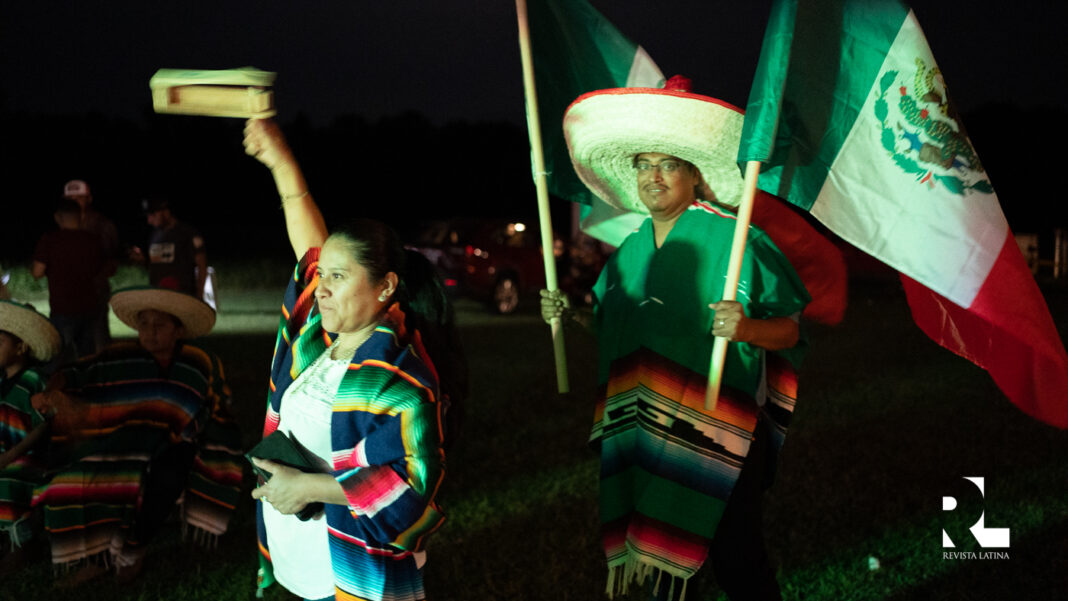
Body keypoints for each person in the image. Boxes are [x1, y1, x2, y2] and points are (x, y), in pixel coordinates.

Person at [540, 77, 811, 601]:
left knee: (739, 559)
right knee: (655, 571)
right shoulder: (629, 250)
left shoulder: (736, 238)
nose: (653, 176)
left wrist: (746, 328)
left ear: (692, 174)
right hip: (641, 429)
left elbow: (791, 329)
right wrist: (570, 314)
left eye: (668, 165)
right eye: (643, 164)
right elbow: (615, 327)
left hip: (718, 432)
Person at [241, 117, 464, 601]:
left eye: (338, 277)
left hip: (351, 573)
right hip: (297, 560)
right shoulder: (313, 342)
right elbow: (307, 237)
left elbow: (411, 486)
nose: (321, 288)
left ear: (384, 287)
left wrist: (308, 488)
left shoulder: (400, 379)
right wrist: (281, 161)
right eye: (323, 276)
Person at [30, 287, 242, 585]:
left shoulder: (198, 362)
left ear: (178, 330)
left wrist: (186, 429)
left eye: (159, 326)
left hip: (184, 444)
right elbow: (75, 372)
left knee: (166, 476)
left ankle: (132, 550)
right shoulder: (119, 357)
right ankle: (99, 558)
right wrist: (52, 391)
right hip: (127, 442)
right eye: (143, 324)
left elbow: (217, 405)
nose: (150, 333)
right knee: (79, 476)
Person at [0, 301, 60, 572]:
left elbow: (43, 425)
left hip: (30, 456)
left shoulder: (33, 381)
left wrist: (12, 454)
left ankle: (21, 544)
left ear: (21, 348)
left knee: (10, 477)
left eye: (0, 342)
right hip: (5, 453)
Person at [31, 199, 110, 366]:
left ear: (58, 217)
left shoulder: (50, 240)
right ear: (80, 216)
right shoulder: (93, 240)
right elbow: (103, 270)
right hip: (89, 306)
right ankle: (86, 389)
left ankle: (58, 390)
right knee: (87, 358)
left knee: (58, 357)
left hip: (62, 308)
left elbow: (37, 272)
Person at [62, 180, 119, 349]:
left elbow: (112, 261)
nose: (73, 202)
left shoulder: (102, 225)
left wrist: (92, 279)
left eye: (78, 198)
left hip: (95, 294)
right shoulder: (63, 227)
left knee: (99, 340)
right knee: (69, 343)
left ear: (89, 199)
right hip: (68, 297)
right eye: (69, 198)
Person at [130, 197, 208, 299]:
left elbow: (201, 265)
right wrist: (142, 260)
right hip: (158, 295)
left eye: (153, 215)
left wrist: (199, 295)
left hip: (182, 296)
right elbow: (157, 265)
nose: (149, 220)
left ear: (166, 212)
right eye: (148, 216)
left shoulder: (187, 234)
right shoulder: (154, 236)